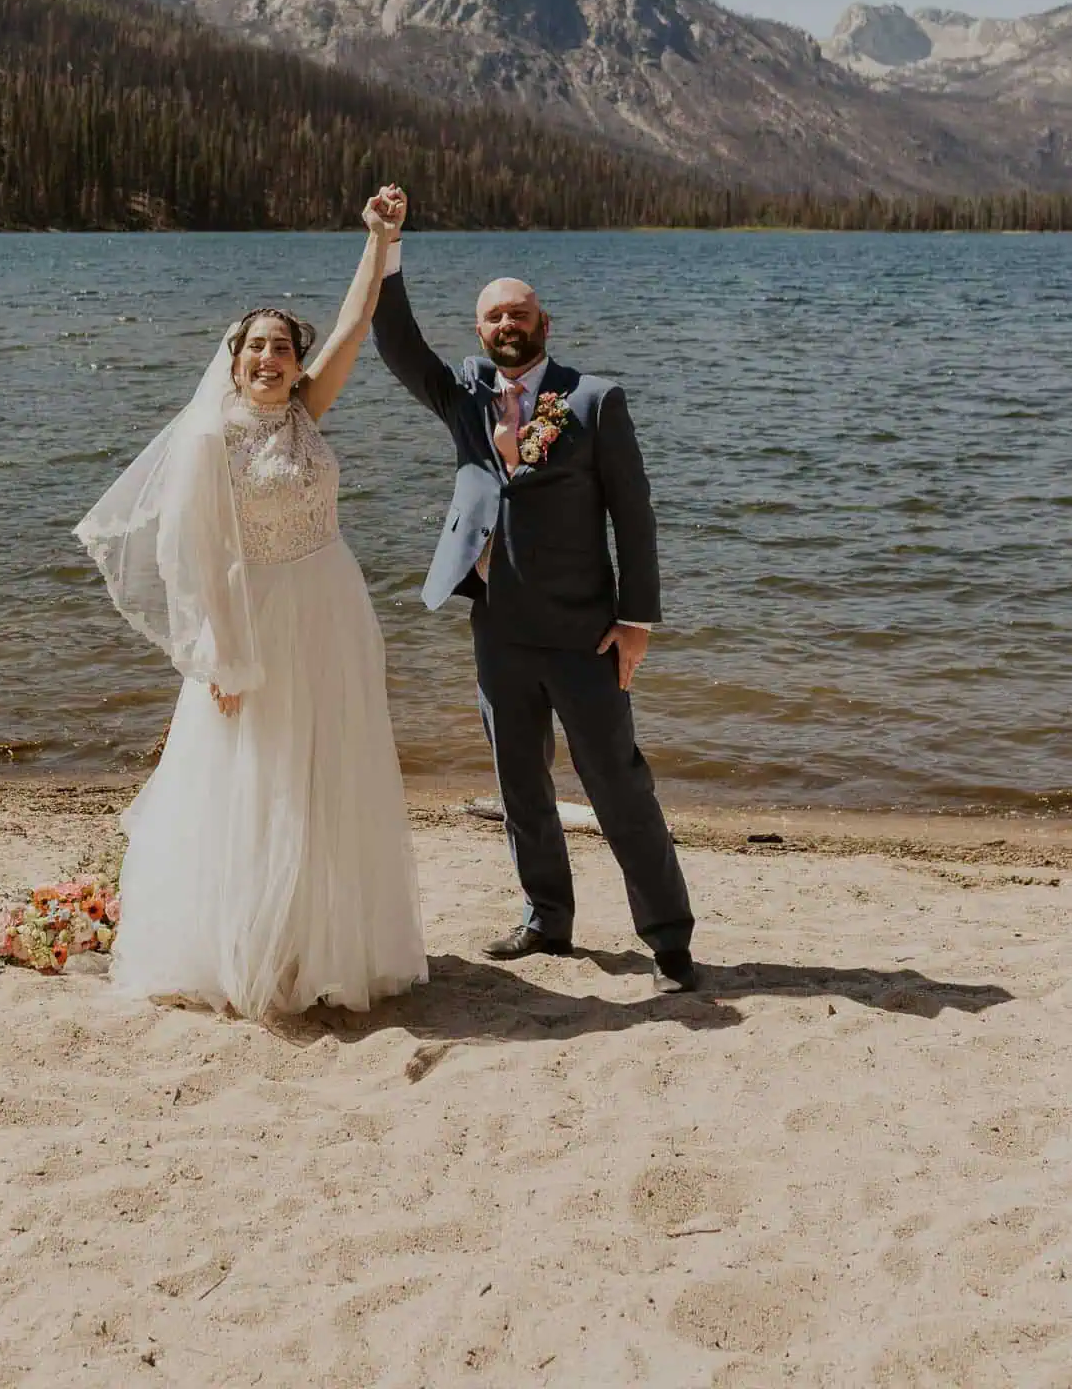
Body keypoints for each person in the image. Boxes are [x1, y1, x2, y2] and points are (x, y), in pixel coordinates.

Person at [74, 195, 426, 1020]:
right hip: (256, 624)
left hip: (333, 610)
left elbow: (356, 318)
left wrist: (379, 240)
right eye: (254, 347)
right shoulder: (209, 437)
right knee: (258, 780)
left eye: (281, 347)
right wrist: (218, 660)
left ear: (298, 364)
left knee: (328, 774)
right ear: (231, 361)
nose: (269, 358)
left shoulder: (307, 411)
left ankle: (320, 944)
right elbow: (190, 560)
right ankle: (245, 947)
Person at [370, 190, 698, 993]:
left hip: (586, 633)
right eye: (493, 318)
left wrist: (635, 621)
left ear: (542, 322)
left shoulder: (593, 399)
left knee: (618, 785)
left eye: (519, 314)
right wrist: (387, 247)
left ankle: (668, 939)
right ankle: (547, 920)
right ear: (479, 331)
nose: (507, 326)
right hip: (499, 630)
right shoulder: (462, 396)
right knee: (520, 784)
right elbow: (393, 340)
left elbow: (634, 514)